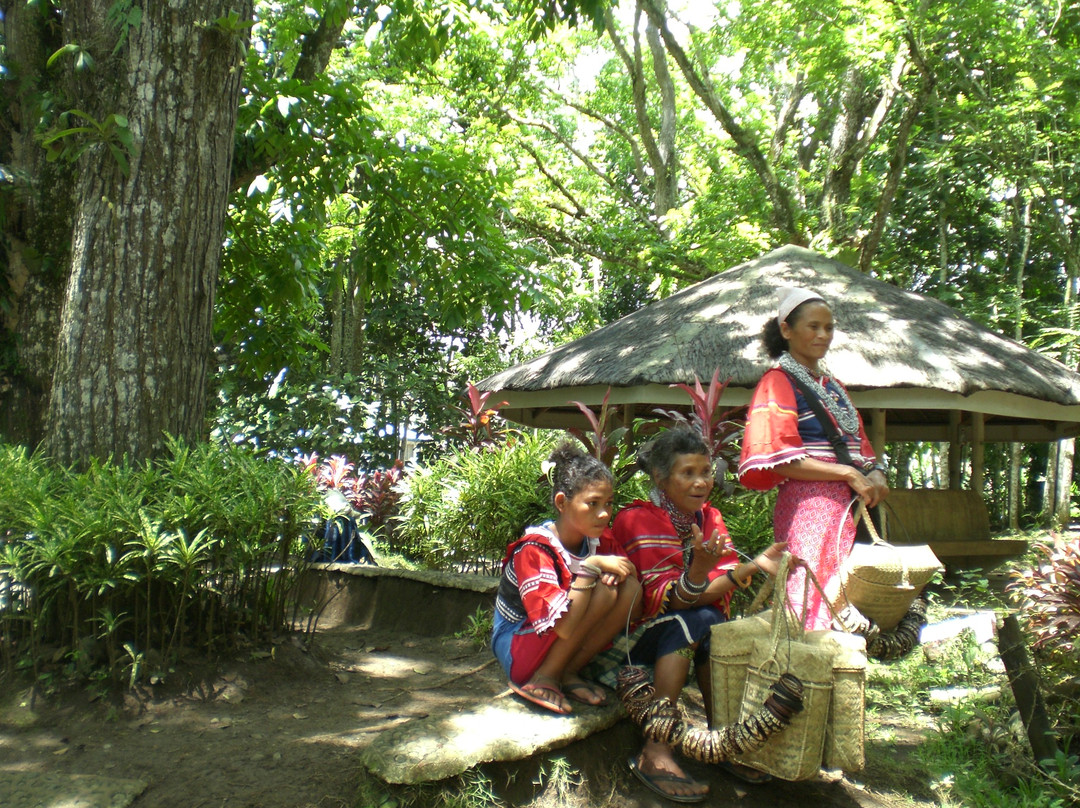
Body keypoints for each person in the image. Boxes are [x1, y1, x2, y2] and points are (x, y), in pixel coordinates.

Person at [612, 426, 786, 802]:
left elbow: (715, 589)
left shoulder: (710, 518)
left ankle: (722, 740)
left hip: (688, 625)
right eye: (687, 473)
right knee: (698, 620)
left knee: (713, 625)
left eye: (705, 472)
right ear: (660, 477)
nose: (701, 482)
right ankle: (655, 749)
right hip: (631, 641)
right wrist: (736, 572)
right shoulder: (635, 520)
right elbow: (668, 601)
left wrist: (744, 569)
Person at [739, 286, 889, 634]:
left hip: (850, 505)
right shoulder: (777, 382)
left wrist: (876, 473)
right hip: (811, 506)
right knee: (810, 593)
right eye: (813, 326)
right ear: (786, 330)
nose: (823, 335)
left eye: (829, 327)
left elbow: (861, 447)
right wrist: (847, 473)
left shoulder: (833, 386)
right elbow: (778, 459)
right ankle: (802, 663)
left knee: (843, 593)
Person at [492, 442, 641, 714]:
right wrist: (591, 567)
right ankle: (544, 678)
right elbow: (562, 627)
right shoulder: (535, 549)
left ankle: (568, 672)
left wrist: (615, 573)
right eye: (592, 503)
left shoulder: (599, 539)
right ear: (562, 502)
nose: (604, 513)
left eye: (608, 503)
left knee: (629, 587)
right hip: (518, 649)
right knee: (603, 590)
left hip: (552, 646)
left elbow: (629, 580)